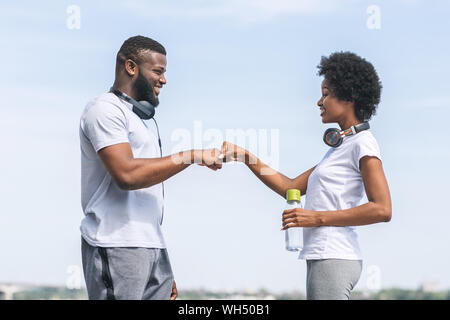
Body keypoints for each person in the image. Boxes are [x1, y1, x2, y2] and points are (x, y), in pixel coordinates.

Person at [221, 51, 392, 300]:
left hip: (334, 255)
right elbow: (288, 186)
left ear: (348, 97)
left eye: (326, 94)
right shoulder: (342, 148)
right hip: (322, 255)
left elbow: (382, 209)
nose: (319, 102)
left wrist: (316, 218)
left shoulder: (363, 144)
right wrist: (245, 156)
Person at [79, 36, 222, 300]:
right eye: (158, 71)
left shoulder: (139, 120)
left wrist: (159, 261)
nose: (164, 80)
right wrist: (190, 156)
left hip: (151, 247)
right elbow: (127, 174)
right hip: (116, 244)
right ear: (131, 67)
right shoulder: (104, 110)